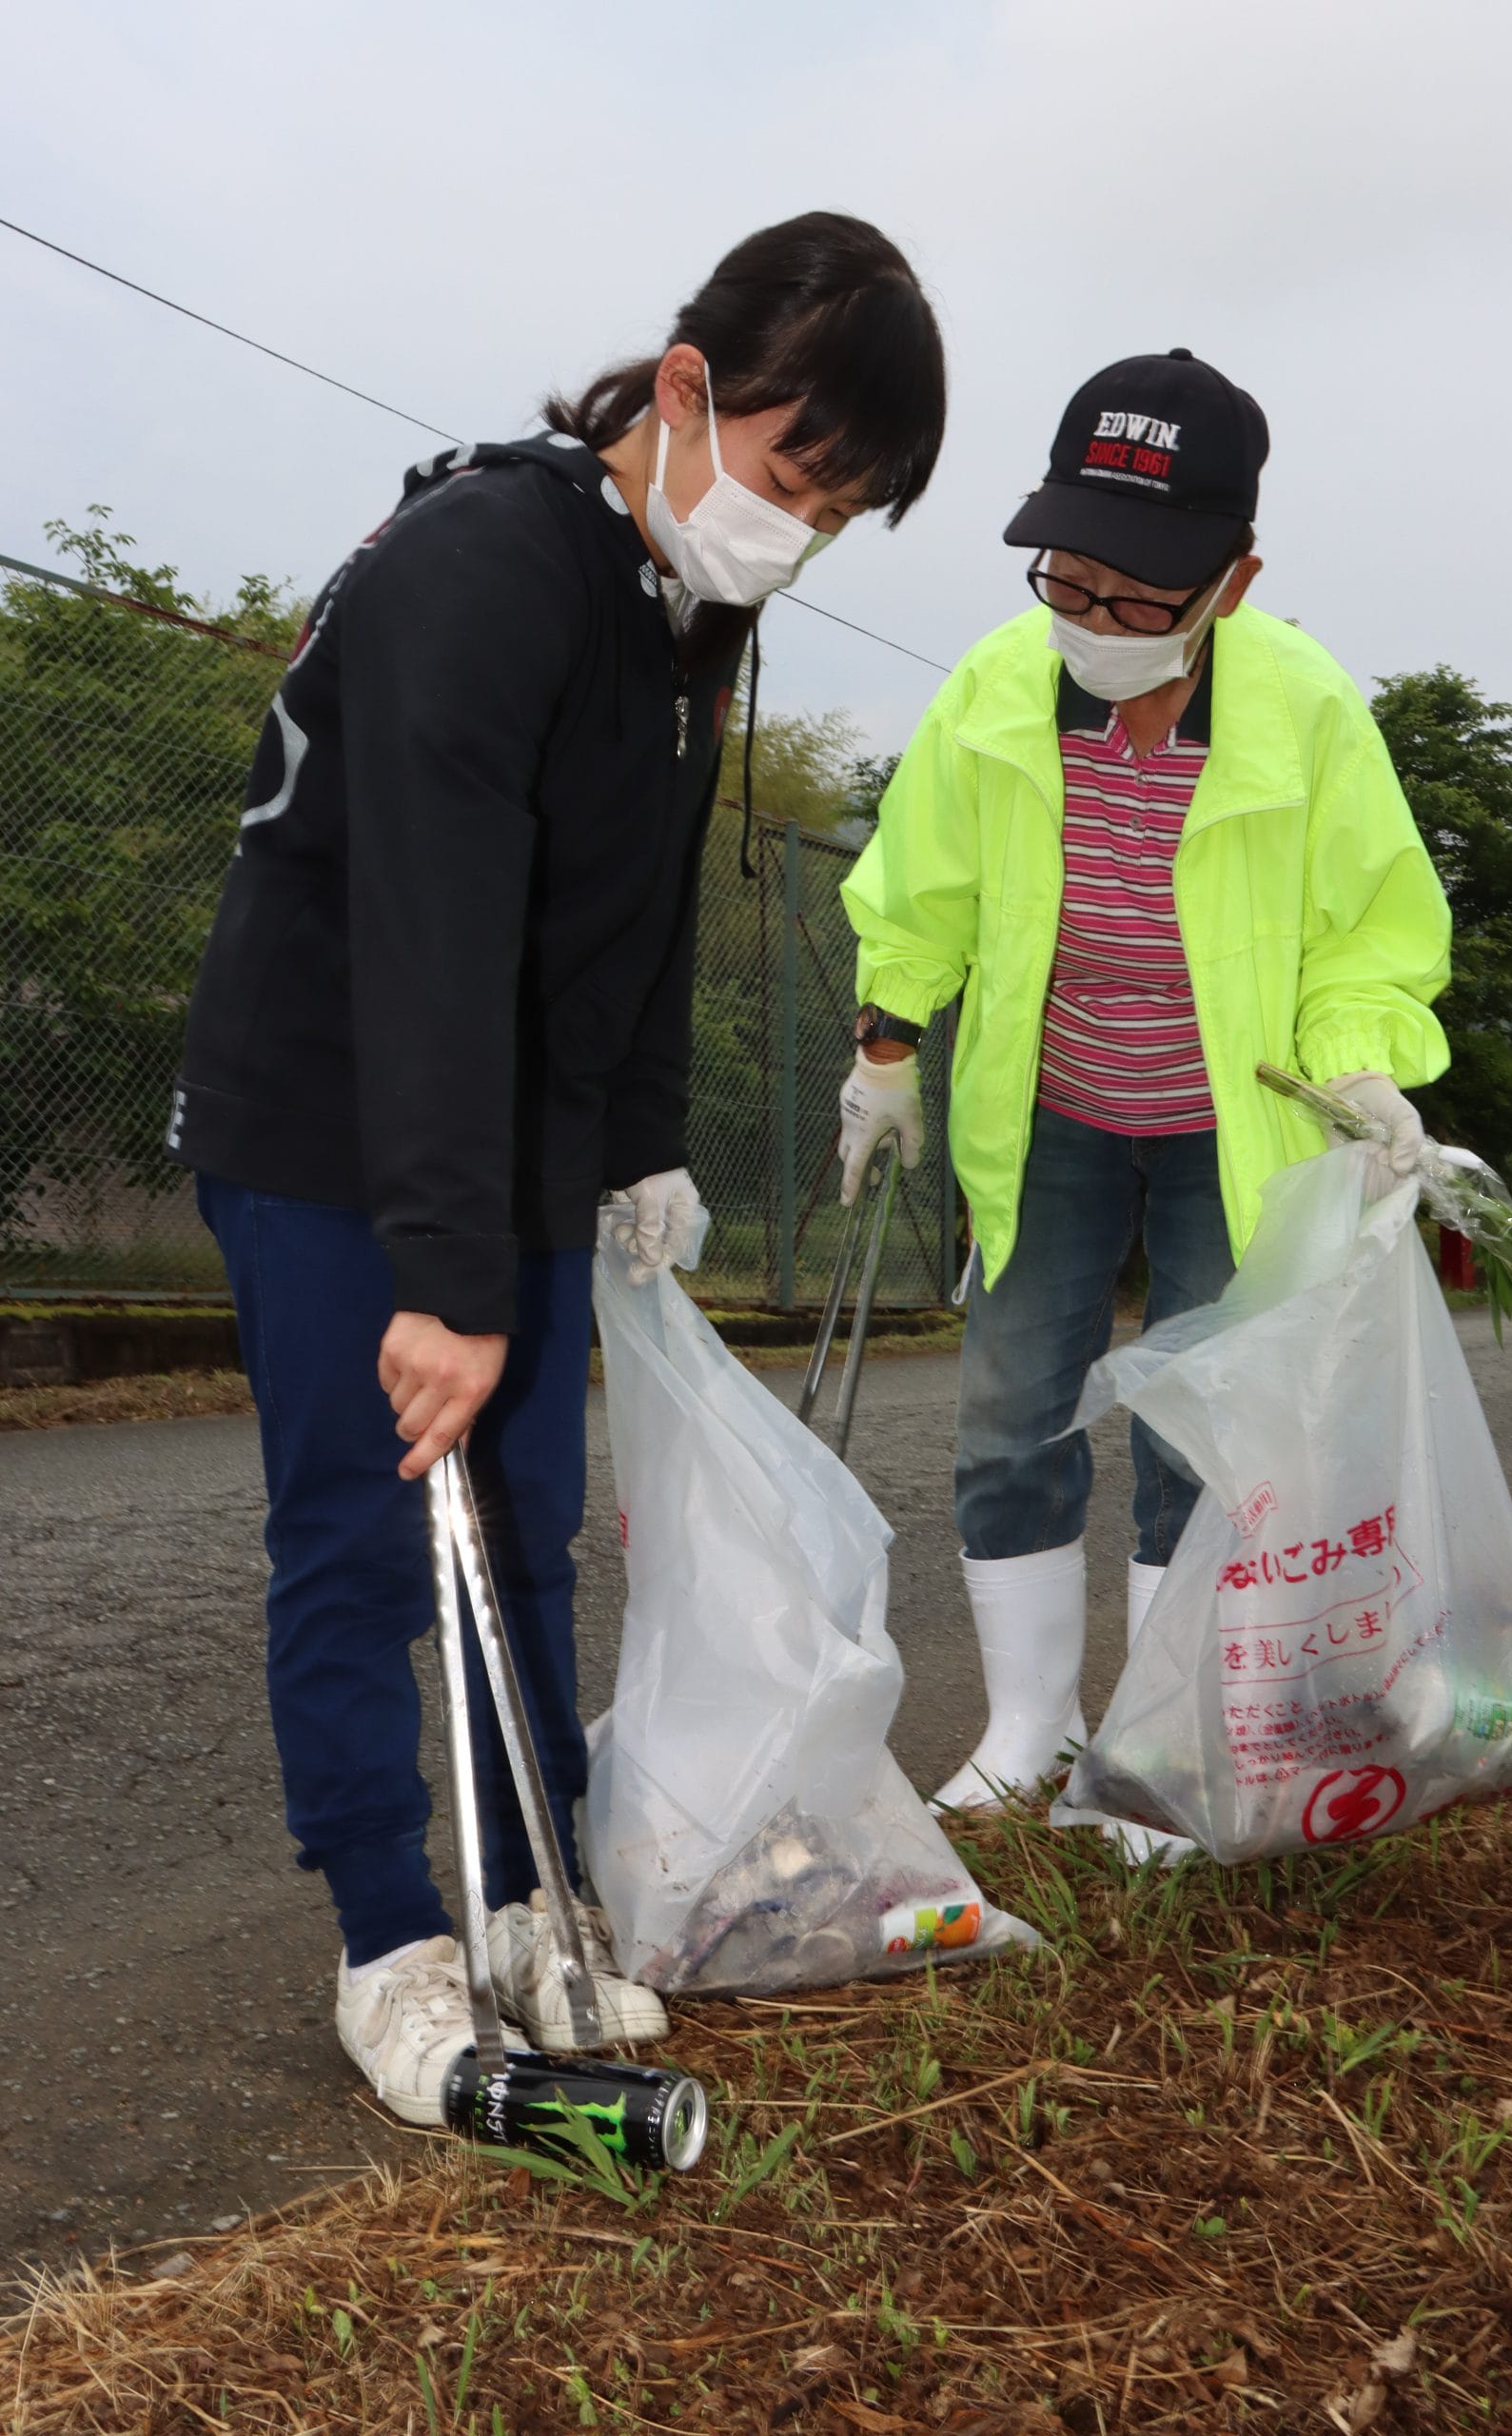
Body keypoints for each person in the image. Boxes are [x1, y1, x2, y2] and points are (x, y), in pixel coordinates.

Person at [167, 213, 947, 2118]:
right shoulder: (486, 564)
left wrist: (639, 1139)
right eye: (790, 475)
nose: (798, 530)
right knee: (360, 1537)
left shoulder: (676, 601)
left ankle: (528, 1894)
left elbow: (640, 904)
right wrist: (439, 1276)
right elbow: (428, 932)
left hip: (489, 1125)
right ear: (683, 390)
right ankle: (389, 1938)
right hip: (324, 1109)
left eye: (841, 512)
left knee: (518, 1535)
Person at [837, 347, 1449, 1854]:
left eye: (1135, 594)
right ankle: (1029, 1729)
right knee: (1005, 1412)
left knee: (1200, 1425)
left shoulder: (1304, 713)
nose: (1090, 620)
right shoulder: (996, 689)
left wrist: (1362, 1057)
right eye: (1068, 577)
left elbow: (1368, 932)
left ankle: (1161, 1734)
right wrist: (884, 1045)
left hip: (1229, 1128)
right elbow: (922, 888)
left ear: (1229, 582)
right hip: (1048, 1109)